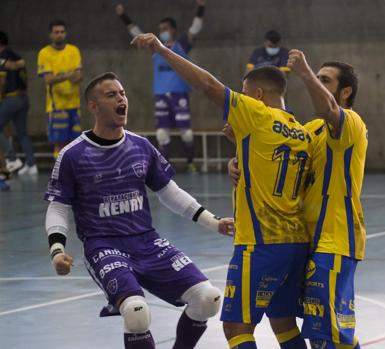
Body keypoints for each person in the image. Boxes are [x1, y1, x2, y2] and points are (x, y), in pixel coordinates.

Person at [132, 33, 311, 349]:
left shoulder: (256, 113)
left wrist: (162, 51)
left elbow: (208, 86)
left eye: (243, 95)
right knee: (283, 322)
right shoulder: (300, 131)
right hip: (295, 242)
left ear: (256, 94)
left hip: (260, 243)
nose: (237, 102)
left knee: (236, 326)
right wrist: (238, 152)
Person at [44, 72, 234, 349]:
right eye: (111, 95)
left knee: (208, 299)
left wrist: (213, 222)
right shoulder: (73, 155)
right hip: (104, 245)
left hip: (146, 240)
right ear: (93, 106)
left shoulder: (141, 146)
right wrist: (57, 251)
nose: (121, 99)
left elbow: (168, 191)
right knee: (136, 313)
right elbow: (58, 206)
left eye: (122, 93)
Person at [228, 51, 368, 349]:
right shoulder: (307, 130)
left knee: (328, 334)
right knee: (316, 327)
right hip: (308, 240)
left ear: (345, 92)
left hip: (336, 238)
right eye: (315, 78)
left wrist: (303, 72)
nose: (316, 82)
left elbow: (330, 110)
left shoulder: (351, 123)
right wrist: (238, 156)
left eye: (324, 80)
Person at [115, 0, 206, 173]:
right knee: (162, 133)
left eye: (165, 28)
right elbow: (137, 33)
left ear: (173, 30)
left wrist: (201, 7)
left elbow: (195, 28)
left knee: (186, 132)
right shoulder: (155, 47)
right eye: (160, 29)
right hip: (161, 94)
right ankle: (164, 166)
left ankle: (191, 162)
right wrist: (123, 16)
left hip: (179, 94)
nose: (161, 32)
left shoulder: (181, 45)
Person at [37, 19, 83, 159]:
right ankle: (59, 172)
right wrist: (69, 75)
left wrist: (64, 76)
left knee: (75, 143)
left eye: (62, 32)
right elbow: (48, 79)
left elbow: (79, 75)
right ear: (51, 35)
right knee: (59, 144)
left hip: (74, 104)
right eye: (56, 32)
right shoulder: (44, 53)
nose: (60, 35)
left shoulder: (74, 50)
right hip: (57, 106)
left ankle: (74, 173)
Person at [0, 31, 37, 175]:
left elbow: (2, 81)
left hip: (11, 98)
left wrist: (1, 97)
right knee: (22, 133)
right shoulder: (17, 56)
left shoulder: (3, 57)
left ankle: (12, 158)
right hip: (23, 98)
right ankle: (31, 164)